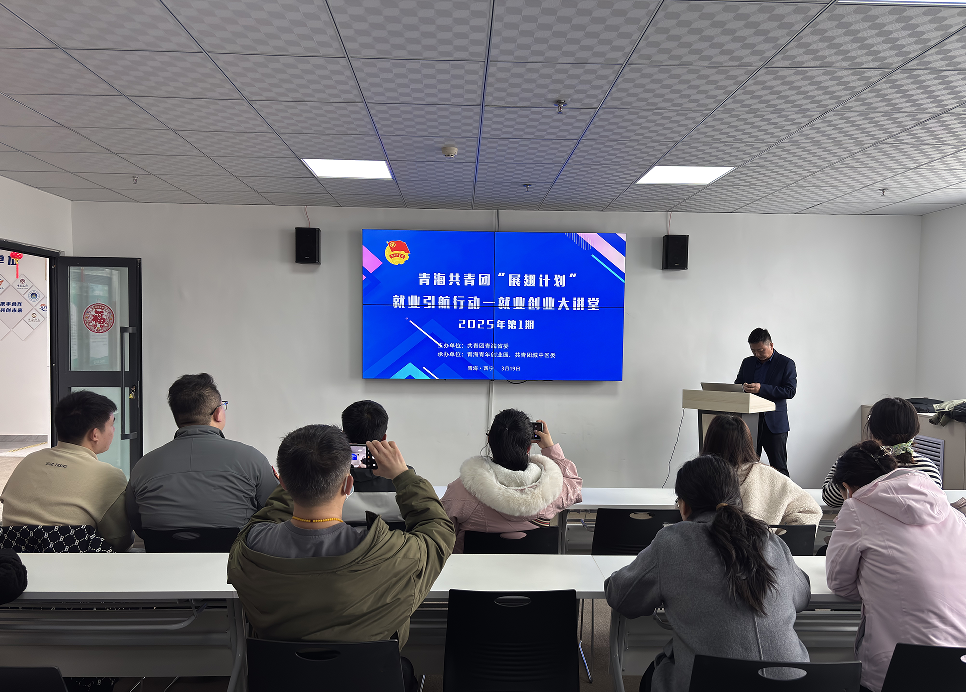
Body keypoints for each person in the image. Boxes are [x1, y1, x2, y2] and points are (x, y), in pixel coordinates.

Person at [227, 425, 454, 692]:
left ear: (284, 484)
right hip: (371, 681)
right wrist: (403, 476)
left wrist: (297, 477)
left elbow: (265, 517)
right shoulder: (395, 555)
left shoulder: (248, 550)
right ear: (348, 484)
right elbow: (438, 530)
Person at [605, 455, 810, 692]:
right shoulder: (771, 541)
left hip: (711, 681)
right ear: (737, 499)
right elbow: (802, 596)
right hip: (794, 684)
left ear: (684, 505)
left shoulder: (672, 542)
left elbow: (622, 597)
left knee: (653, 675)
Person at [826, 440, 966, 692]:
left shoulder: (856, 509)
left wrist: (881, 587)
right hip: (960, 661)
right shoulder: (948, 509)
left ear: (847, 487)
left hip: (899, 665)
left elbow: (839, 583)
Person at [126, 373, 277, 533]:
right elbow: (276, 514)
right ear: (218, 413)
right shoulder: (253, 459)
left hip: (161, 549)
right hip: (235, 549)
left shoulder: (143, 467)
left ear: (177, 416)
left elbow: (136, 524)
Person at [1, 390, 133, 551]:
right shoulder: (109, 476)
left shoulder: (29, 460)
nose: (113, 430)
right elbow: (120, 540)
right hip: (73, 563)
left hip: (15, 559)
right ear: (95, 434)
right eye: (111, 424)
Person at [441, 409, 582, 553]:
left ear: (489, 441)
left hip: (474, 567)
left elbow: (442, 532)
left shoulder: (462, 490)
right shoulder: (552, 490)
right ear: (529, 447)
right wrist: (550, 448)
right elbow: (574, 487)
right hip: (534, 567)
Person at [822, 397, 941, 509]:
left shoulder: (855, 464)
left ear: (872, 428)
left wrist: (844, 462)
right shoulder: (929, 469)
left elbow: (830, 499)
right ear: (915, 430)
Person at [702, 414, 820, 526]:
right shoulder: (768, 475)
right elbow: (810, 511)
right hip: (759, 540)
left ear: (709, 442)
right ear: (748, 442)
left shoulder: (699, 475)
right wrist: (779, 537)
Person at [734, 328, 797, 476]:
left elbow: (790, 391)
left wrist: (761, 388)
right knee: (747, 467)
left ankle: (783, 493)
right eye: (753, 351)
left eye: (761, 350)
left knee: (779, 468)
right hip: (749, 422)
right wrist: (743, 387)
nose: (757, 354)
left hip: (774, 424)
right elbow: (737, 384)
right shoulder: (747, 362)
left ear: (771, 345)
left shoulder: (786, 363)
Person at [341, 400, 409, 526]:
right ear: (384, 438)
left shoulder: (325, 476)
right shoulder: (405, 478)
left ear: (343, 435)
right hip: (392, 538)